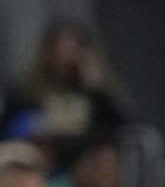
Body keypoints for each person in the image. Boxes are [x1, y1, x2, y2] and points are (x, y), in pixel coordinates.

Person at [0, 20, 133, 170]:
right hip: (40, 167)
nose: (65, 58)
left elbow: (127, 130)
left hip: (84, 166)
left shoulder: (97, 94)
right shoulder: (25, 92)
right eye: (60, 50)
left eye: (72, 51)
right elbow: (7, 131)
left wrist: (97, 89)